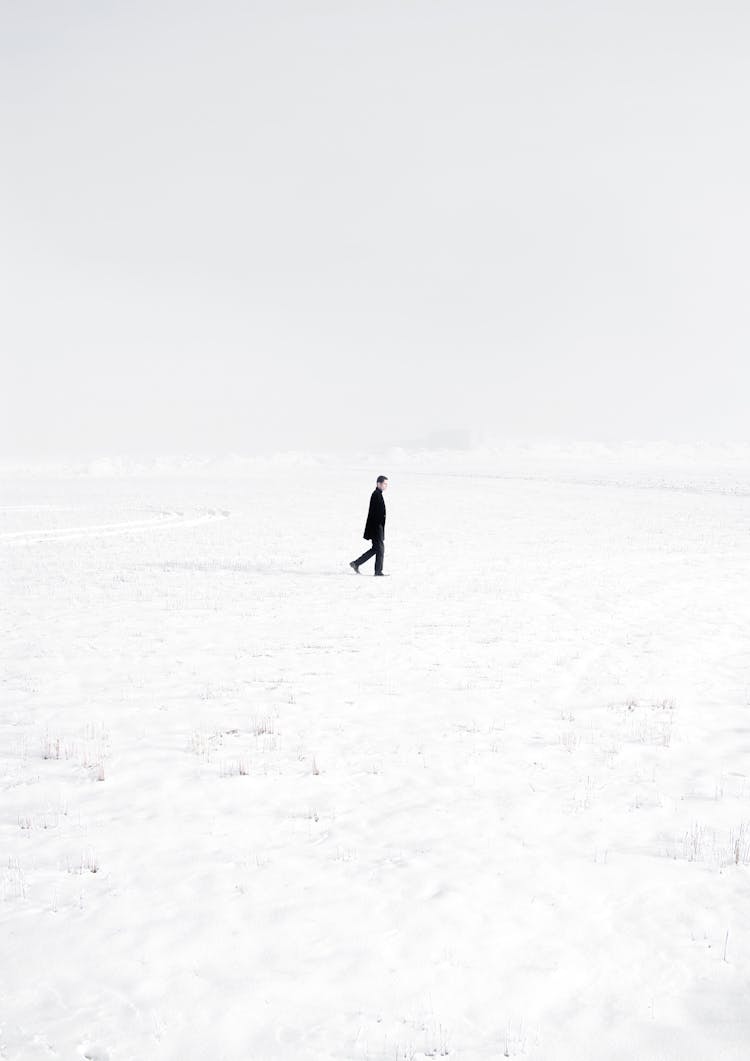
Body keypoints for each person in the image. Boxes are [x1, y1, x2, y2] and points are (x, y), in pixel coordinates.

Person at [350, 476, 388, 576]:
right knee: (380, 549)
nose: (386, 486)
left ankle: (356, 563)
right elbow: (374, 514)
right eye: (384, 484)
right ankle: (378, 571)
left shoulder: (378, 494)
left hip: (377, 527)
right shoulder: (376, 495)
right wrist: (378, 528)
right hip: (376, 528)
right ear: (378, 484)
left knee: (376, 548)